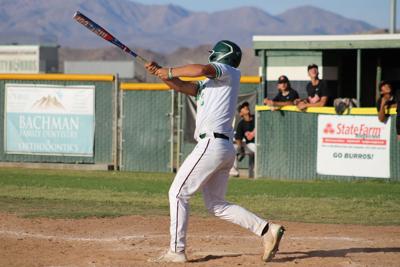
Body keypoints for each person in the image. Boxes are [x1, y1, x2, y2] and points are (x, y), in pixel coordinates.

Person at [145, 40, 285, 263]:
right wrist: (161, 73)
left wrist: (168, 70)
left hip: (212, 144)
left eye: (213, 54)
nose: (211, 57)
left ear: (222, 56)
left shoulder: (228, 71)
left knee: (178, 193)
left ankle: (176, 251)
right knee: (216, 204)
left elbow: (200, 69)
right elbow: (181, 86)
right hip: (221, 146)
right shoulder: (209, 85)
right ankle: (267, 230)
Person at [229, 101, 256, 178]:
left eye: (246, 106)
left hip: (258, 145)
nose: (245, 108)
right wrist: (240, 149)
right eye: (243, 108)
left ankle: (254, 172)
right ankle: (234, 172)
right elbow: (238, 138)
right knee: (232, 148)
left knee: (257, 148)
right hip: (250, 145)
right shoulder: (241, 124)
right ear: (241, 114)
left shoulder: (257, 118)